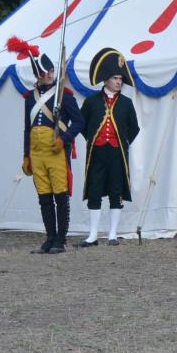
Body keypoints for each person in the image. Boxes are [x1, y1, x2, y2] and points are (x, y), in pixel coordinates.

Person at [8, 37, 83, 254]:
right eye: (45, 72)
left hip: (56, 152)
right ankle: (50, 238)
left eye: (51, 71)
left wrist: (64, 139)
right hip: (37, 153)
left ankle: (61, 239)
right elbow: (27, 128)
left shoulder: (63, 95)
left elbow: (79, 122)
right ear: (38, 74)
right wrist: (26, 155)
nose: (50, 74)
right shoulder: (30, 98)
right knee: (44, 197)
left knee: (60, 196)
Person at [75, 48, 140, 247]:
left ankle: (112, 234)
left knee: (115, 190)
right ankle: (93, 235)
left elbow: (134, 128)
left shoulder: (127, 103)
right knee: (94, 190)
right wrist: (93, 139)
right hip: (97, 153)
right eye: (115, 78)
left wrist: (122, 141)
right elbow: (82, 124)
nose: (119, 82)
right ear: (106, 79)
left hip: (117, 153)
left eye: (120, 78)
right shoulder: (91, 101)